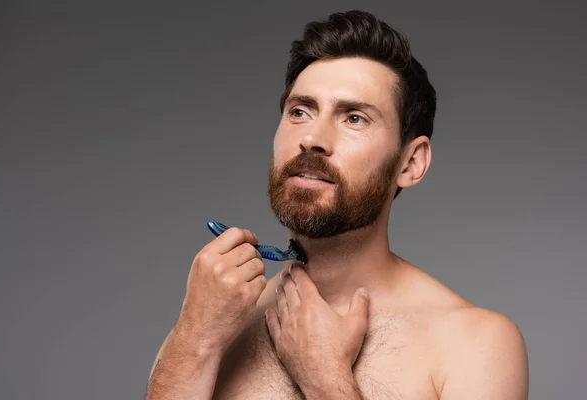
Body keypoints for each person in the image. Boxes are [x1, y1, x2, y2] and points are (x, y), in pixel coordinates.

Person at [146, 9, 529, 400]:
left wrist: (326, 379)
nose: (313, 137)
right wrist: (195, 340)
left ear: (410, 163)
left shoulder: (475, 345)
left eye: (355, 118)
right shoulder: (211, 323)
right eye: (300, 111)